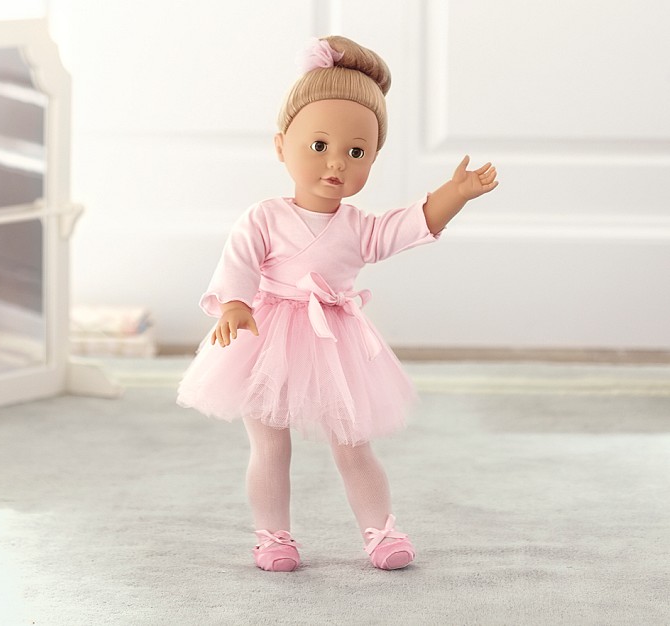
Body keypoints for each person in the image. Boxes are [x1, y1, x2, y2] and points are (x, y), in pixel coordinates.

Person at [177, 36, 498, 572]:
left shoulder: (358, 226)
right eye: (319, 145)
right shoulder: (263, 217)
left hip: (335, 341)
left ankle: (381, 531)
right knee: (270, 446)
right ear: (282, 146)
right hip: (267, 337)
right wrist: (234, 305)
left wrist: (454, 195)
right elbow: (239, 262)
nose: (336, 164)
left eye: (356, 152)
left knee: (353, 443)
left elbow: (409, 224)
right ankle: (273, 536)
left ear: (372, 158)